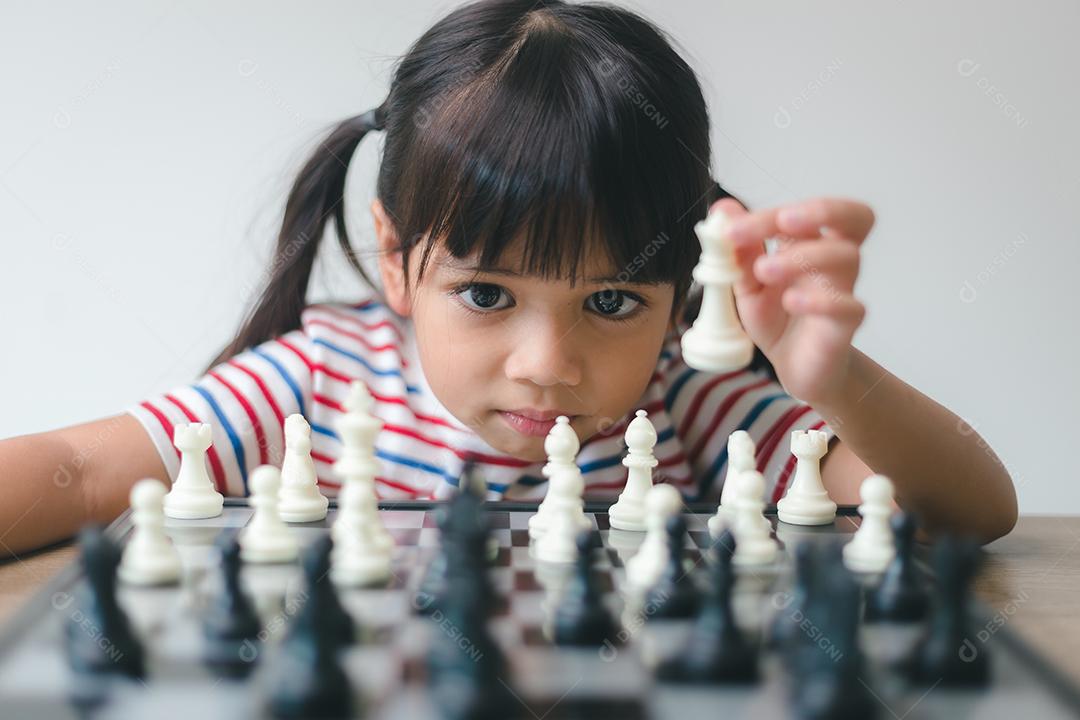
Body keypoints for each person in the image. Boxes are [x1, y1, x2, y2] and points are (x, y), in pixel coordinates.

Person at [0, 0, 1016, 557]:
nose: (548, 364)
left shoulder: (697, 402)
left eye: (612, 301)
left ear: (678, 290)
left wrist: (830, 377)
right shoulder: (316, 387)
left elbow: (973, 511)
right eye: (486, 294)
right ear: (397, 261)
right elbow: (76, 472)